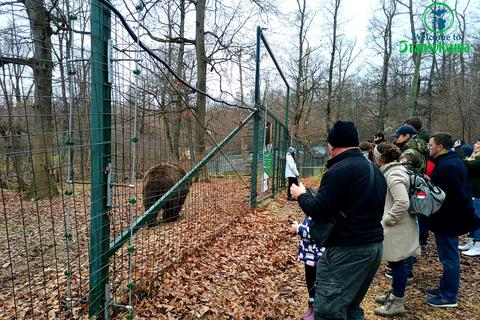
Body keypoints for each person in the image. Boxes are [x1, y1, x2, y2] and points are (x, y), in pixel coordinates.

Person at [291, 120, 387, 320]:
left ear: (332, 144)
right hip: (373, 248)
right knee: (351, 306)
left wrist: (301, 195)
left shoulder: (339, 171)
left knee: (328, 311)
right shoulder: (373, 169)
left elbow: (319, 211)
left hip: (347, 252)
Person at [425, 132, 477, 307]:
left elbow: (460, 194)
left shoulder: (449, 166)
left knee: (450, 258)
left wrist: (471, 218)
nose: (428, 148)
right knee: (447, 257)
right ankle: (444, 288)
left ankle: (448, 296)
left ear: (440, 147)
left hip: (448, 220)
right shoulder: (449, 162)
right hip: (446, 218)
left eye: (430, 145)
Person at [372, 142, 421, 317]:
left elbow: (402, 202)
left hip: (397, 227)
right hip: (398, 226)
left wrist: (387, 220)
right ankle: (393, 295)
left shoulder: (393, 175)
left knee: (398, 264)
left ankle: (397, 302)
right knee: (395, 263)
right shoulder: (394, 171)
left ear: (379, 158)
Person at [404, 117, 431, 247]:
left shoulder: (410, 148)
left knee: (415, 212)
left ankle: (415, 244)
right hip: (421, 178)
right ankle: (422, 239)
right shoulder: (423, 143)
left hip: (412, 181)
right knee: (421, 209)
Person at [291, 216, 324, 320]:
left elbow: (321, 232)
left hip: (319, 256)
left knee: (317, 283)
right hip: (309, 254)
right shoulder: (312, 207)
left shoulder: (324, 204)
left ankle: (318, 309)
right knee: (309, 281)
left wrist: (299, 228)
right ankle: (312, 304)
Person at [455, 138, 480, 256]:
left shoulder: (478, 160)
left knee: (477, 218)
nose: (475, 145)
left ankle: (478, 244)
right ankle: (471, 241)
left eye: (478, 144)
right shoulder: (474, 156)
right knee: (472, 216)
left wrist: (459, 150)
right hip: (472, 192)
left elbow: (465, 164)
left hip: (477, 193)